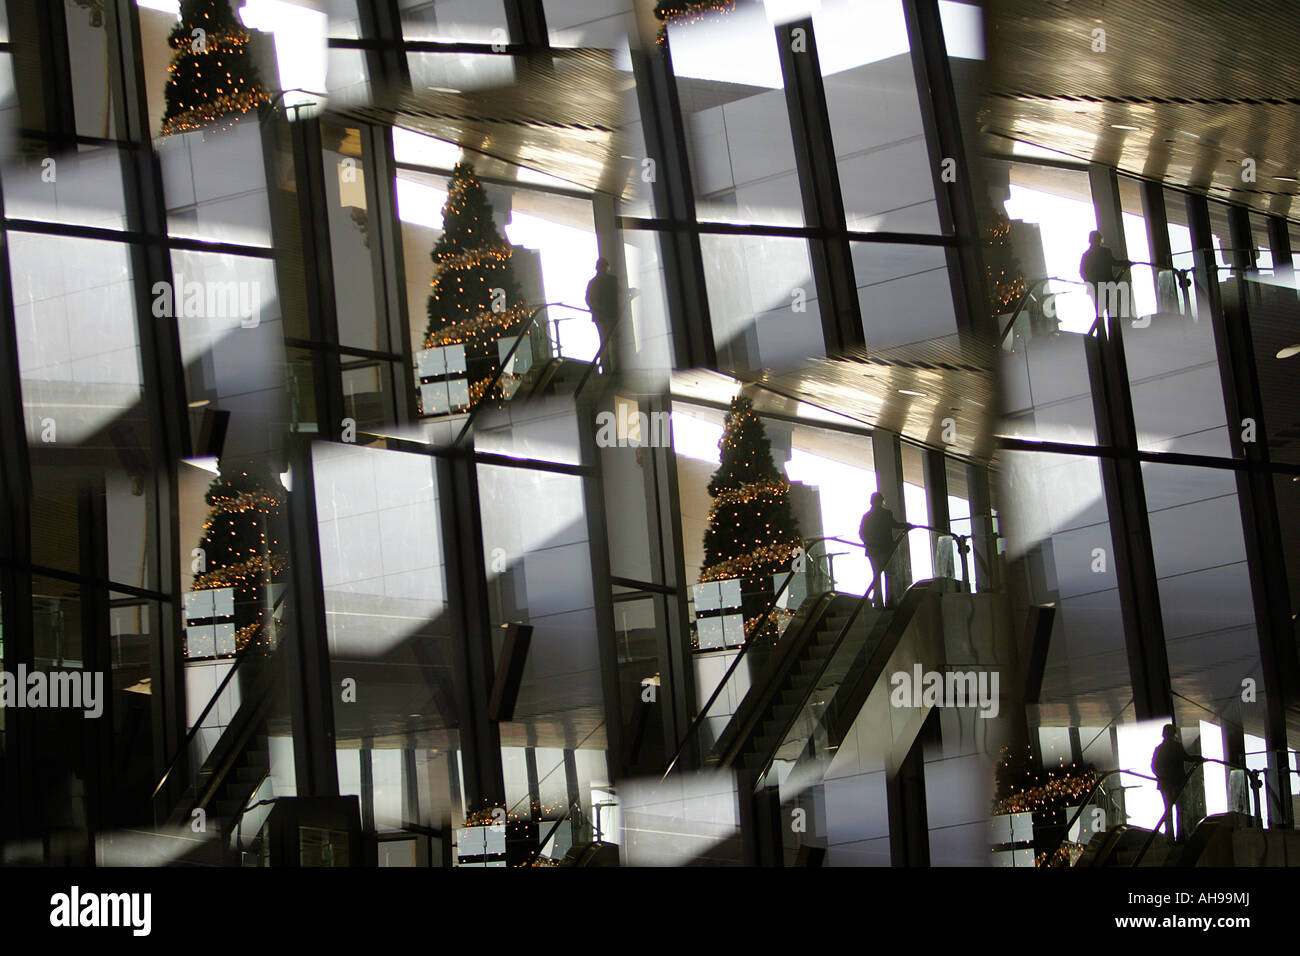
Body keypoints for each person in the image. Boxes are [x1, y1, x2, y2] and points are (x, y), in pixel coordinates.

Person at [1151, 723, 1202, 842]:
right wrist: (1199, 758)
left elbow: (1154, 766)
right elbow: (1187, 758)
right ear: (1174, 734)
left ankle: (1169, 837)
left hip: (1165, 784)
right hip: (1178, 782)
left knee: (1168, 810)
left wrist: (1162, 776)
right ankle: (1181, 835)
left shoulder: (1159, 749)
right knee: (1181, 810)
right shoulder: (1177, 747)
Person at [859, 492, 909, 607]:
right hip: (886, 549)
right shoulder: (886, 514)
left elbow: (862, 534)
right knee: (890, 574)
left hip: (873, 550)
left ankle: (878, 601)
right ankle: (890, 600)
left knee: (876, 575)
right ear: (882, 501)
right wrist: (906, 525)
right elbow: (895, 524)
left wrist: (870, 543)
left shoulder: (867, 516)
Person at [1079, 230, 1130, 322]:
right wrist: (1125, 263)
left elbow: (1083, 273)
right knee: (1111, 312)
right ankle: (1114, 333)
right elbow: (1114, 262)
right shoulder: (1105, 252)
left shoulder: (1087, 255)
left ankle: (1103, 334)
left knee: (1101, 313)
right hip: (1106, 286)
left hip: (1097, 287)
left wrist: (1091, 282)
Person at [585, 257, 622, 371]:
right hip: (607, 315)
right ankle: (611, 366)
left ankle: (609, 366)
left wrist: (596, 308)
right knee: (611, 341)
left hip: (604, 315)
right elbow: (620, 292)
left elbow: (589, 299)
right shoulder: (611, 280)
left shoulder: (594, 282)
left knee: (606, 341)